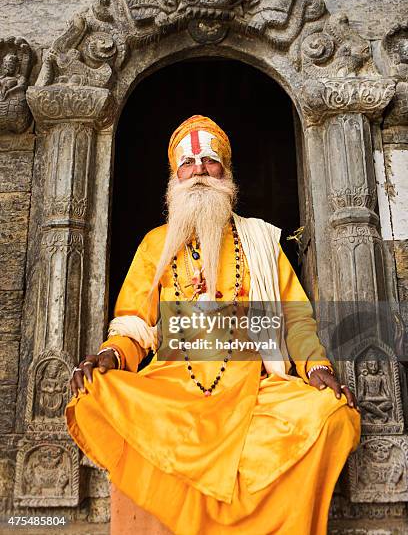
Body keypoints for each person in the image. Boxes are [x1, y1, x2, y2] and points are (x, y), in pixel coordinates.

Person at [65, 115, 361, 535]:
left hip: (253, 384)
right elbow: (134, 321)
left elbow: (295, 316)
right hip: (174, 385)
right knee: (98, 393)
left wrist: (317, 367)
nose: (199, 169)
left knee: (330, 415)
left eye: (209, 160)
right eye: (188, 162)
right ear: (174, 176)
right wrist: (112, 354)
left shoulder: (260, 241)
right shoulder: (156, 243)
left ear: (226, 172)